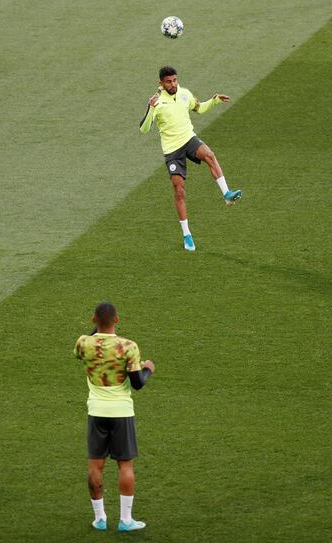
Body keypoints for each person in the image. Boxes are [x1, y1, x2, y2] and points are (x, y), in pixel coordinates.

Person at [139, 66, 242, 252]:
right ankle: (187, 234)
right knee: (179, 190)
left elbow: (199, 108)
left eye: (175, 80)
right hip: (172, 151)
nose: (173, 84)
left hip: (189, 139)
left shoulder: (185, 94)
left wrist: (215, 100)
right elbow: (144, 129)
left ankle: (227, 194)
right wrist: (149, 108)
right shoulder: (157, 102)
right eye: (169, 81)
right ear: (160, 83)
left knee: (210, 155)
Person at [74, 302, 155, 532]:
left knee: (95, 466)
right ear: (117, 320)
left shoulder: (83, 343)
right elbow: (138, 384)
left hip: (96, 411)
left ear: (93, 320)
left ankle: (100, 518)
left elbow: (87, 344)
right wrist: (148, 368)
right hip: (121, 413)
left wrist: (96, 331)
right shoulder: (128, 346)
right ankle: (125, 520)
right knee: (125, 466)